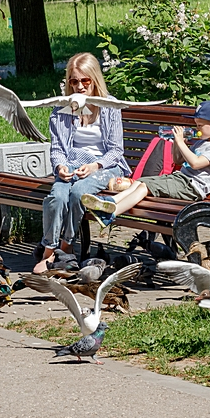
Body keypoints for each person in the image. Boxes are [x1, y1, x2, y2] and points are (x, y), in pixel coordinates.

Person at [34, 52, 129, 274]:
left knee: (79, 193)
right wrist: (60, 166)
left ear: (95, 79)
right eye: (74, 81)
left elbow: (116, 150)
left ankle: (67, 245)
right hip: (72, 162)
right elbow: (57, 148)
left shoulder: (109, 105)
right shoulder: (62, 109)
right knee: (57, 195)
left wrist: (96, 166)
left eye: (85, 81)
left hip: (105, 166)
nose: (80, 86)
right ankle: (49, 250)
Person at [81, 100, 210, 219]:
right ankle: (111, 203)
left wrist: (180, 142)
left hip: (192, 188)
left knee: (145, 186)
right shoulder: (202, 141)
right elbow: (179, 160)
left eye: (199, 126)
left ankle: (111, 214)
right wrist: (177, 144)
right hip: (180, 180)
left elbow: (196, 163)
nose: (196, 129)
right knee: (141, 181)